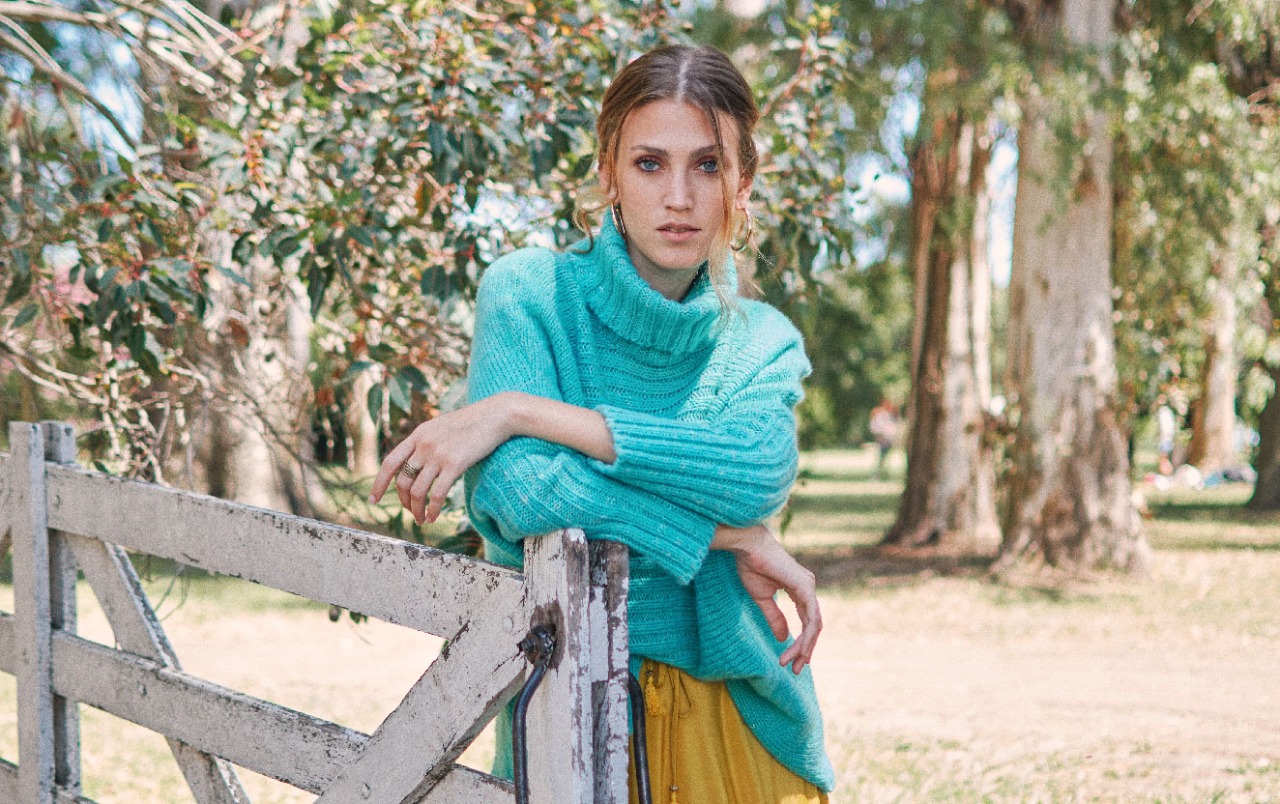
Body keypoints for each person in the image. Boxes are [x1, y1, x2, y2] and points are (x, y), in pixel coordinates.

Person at [370, 44, 832, 803]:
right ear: (609, 172)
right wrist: (725, 537)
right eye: (650, 163)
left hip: (745, 719)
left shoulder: (761, 340)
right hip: (573, 710)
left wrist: (521, 411)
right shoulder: (530, 294)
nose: (679, 197)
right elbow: (520, 492)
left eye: (707, 165)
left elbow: (752, 475)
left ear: (741, 182)